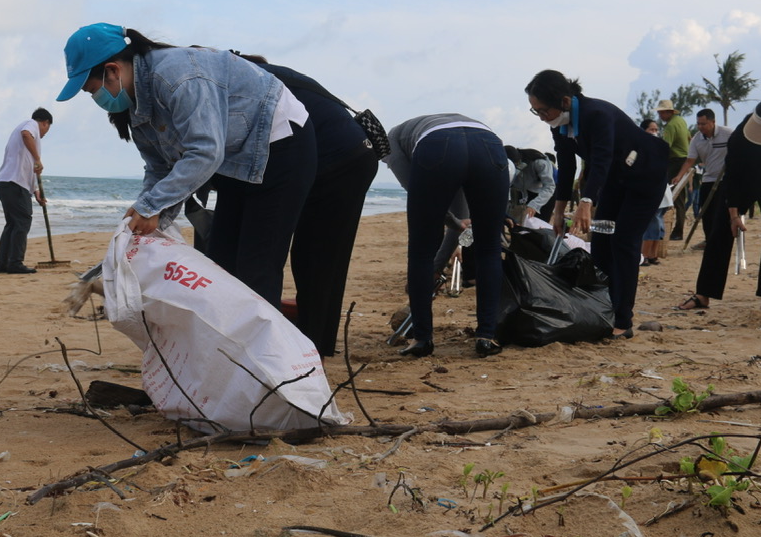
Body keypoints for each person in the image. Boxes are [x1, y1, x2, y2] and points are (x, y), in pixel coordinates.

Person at [55, 23, 316, 308]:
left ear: (113, 70)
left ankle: (265, 349)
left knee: (257, 264)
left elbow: (205, 151)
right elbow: (159, 168)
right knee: (220, 263)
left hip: (280, 142)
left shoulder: (178, 77)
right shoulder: (137, 104)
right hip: (234, 156)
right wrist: (146, 216)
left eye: (92, 90)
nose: (96, 99)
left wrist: (151, 207)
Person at [236, 57, 379, 357]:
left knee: (315, 258)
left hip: (336, 160)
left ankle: (309, 348)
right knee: (322, 260)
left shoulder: (246, 82)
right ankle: (315, 343)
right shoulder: (272, 75)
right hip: (353, 153)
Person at [525, 70, 667, 339]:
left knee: (624, 241)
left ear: (564, 101)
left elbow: (600, 159)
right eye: (536, 112)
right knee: (601, 241)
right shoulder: (560, 126)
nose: (542, 118)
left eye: (544, 111)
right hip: (615, 178)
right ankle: (607, 307)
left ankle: (623, 321)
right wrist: (558, 212)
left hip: (645, 175)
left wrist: (586, 203)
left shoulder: (597, 114)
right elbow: (566, 167)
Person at [384, 114, 510, 359]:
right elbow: (459, 209)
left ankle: (422, 339)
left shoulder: (391, 140)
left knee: (421, 251)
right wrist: (456, 222)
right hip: (489, 144)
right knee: (489, 249)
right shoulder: (439, 124)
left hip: (437, 146)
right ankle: (486, 336)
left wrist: (452, 222)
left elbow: (414, 187)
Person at [677, 99, 761, 312]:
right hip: (744, 184)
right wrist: (733, 214)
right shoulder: (743, 131)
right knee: (719, 234)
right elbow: (733, 172)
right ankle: (703, 294)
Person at [0, 108, 52, 274]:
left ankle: (2, 265)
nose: (46, 132)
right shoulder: (31, 125)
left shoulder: (30, 139)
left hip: (6, 182)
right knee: (22, 221)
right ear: (45, 123)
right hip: (13, 183)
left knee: (13, 224)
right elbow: (25, 134)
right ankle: (15, 263)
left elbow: (26, 166)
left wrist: (35, 191)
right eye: (47, 128)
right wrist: (38, 159)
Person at [670, 109, 732, 246]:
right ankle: (709, 240)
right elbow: (689, 161)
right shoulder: (696, 139)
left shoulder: (728, 134)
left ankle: (723, 240)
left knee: (723, 212)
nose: (700, 127)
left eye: (703, 124)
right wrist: (679, 176)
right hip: (708, 179)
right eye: (698, 124)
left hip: (726, 180)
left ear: (713, 122)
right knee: (707, 213)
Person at [657, 100, 691, 241]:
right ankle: (678, 230)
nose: (660, 115)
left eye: (661, 112)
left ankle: (674, 231)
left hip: (675, 161)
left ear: (668, 112)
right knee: (680, 199)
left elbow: (665, 147)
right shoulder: (681, 121)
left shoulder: (670, 126)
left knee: (669, 197)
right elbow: (689, 137)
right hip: (684, 159)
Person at [639, 119, 670, 265]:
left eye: (656, 129)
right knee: (652, 226)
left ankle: (652, 255)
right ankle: (645, 255)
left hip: (662, 193)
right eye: (651, 129)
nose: (654, 132)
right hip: (650, 191)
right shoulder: (640, 148)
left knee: (659, 227)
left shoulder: (660, 147)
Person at [506, 146, 557, 224]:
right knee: (524, 224)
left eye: (517, 165)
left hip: (546, 194)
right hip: (527, 193)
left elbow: (549, 187)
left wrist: (534, 205)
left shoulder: (539, 162)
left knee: (539, 225)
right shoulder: (505, 167)